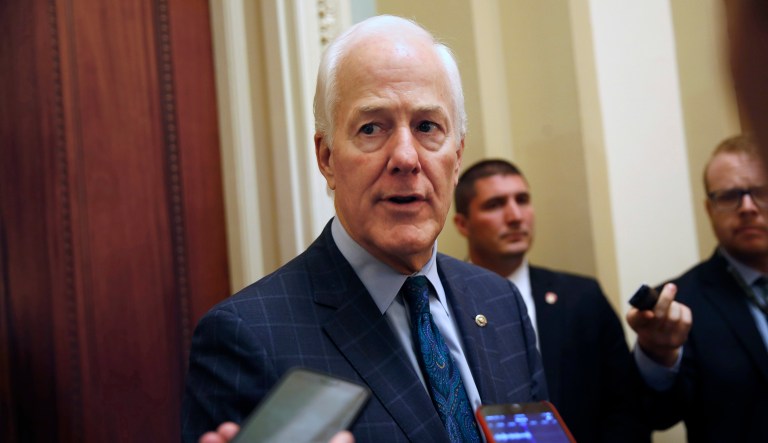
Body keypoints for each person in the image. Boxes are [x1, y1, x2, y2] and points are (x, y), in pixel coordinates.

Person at [181, 15, 547, 443]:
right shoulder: (247, 338)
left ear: (458, 155)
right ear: (327, 158)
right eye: (372, 128)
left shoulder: (501, 303)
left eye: (428, 126)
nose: (406, 158)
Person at [453, 159, 650, 442]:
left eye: (522, 200)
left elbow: (625, 409)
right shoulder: (440, 302)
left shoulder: (582, 299)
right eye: (495, 204)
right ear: (463, 224)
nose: (515, 216)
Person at [627, 134, 768, 442]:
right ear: (709, 209)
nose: (747, 207)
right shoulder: (677, 304)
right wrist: (659, 353)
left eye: (760, 191)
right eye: (730, 196)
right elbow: (656, 414)